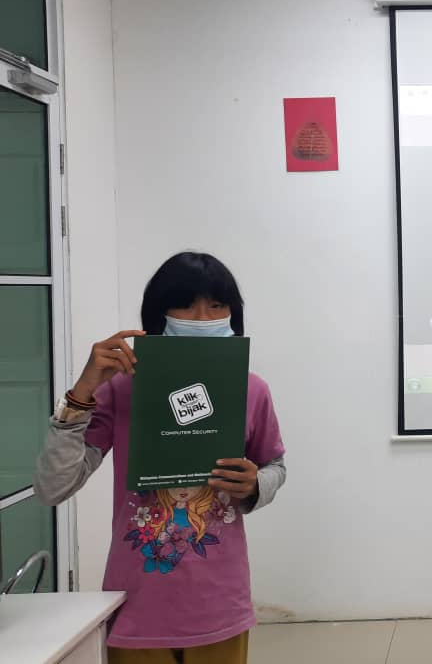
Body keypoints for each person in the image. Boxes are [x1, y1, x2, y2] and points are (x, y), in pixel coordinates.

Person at [34, 252, 286, 664]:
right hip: (137, 604)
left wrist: (256, 484)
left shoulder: (251, 389)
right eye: (186, 305)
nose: (202, 318)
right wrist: (81, 393)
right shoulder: (121, 389)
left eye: (216, 305)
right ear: (158, 315)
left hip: (220, 603)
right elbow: (53, 487)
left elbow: (275, 466)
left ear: (233, 315)